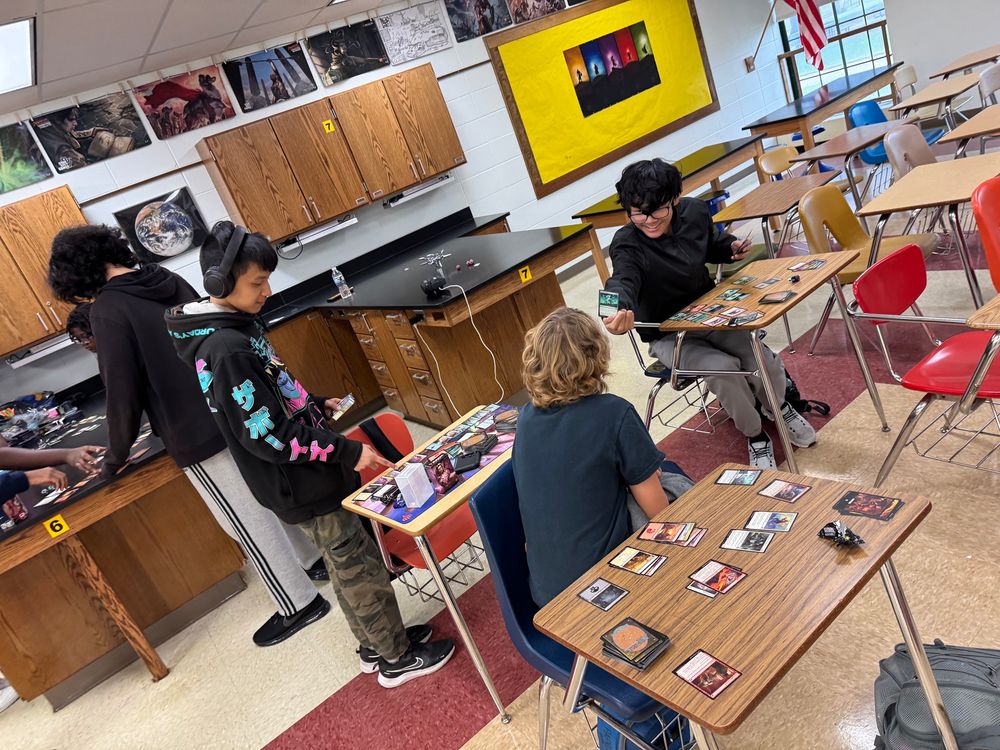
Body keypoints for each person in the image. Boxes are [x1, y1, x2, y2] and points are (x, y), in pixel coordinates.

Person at [165, 221, 454, 688]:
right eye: (257, 283)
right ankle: (396, 658)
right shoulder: (226, 347)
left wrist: (314, 405)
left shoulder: (231, 330)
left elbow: (267, 400)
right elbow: (268, 436)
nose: (266, 291)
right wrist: (344, 452)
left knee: (346, 563)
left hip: (306, 475)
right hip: (304, 481)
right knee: (358, 566)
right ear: (220, 283)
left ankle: (375, 644)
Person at [47, 225, 332, 648]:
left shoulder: (107, 310)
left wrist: (115, 455)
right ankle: (312, 562)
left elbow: (122, 391)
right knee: (265, 497)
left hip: (193, 430)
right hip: (231, 406)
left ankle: (298, 603)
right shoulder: (168, 280)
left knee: (242, 521)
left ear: (75, 275)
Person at [602, 159, 816, 469]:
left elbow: (710, 245)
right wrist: (614, 311)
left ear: (675, 199)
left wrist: (729, 247)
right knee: (723, 368)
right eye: (638, 212)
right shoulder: (627, 243)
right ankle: (755, 435)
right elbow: (621, 280)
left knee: (758, 356)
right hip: (668, 335)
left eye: (657, 210)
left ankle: (779, 407)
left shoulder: (695, 212)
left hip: (710, 314)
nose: (648, 220)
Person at [512, 307, 691, 608]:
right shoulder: (614, 413)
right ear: (597, 355)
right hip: (609, 588)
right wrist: (643, 477)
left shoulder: (526, 419)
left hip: (547, 595)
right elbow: (661, 514)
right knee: (675, 486)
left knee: (650, 480)